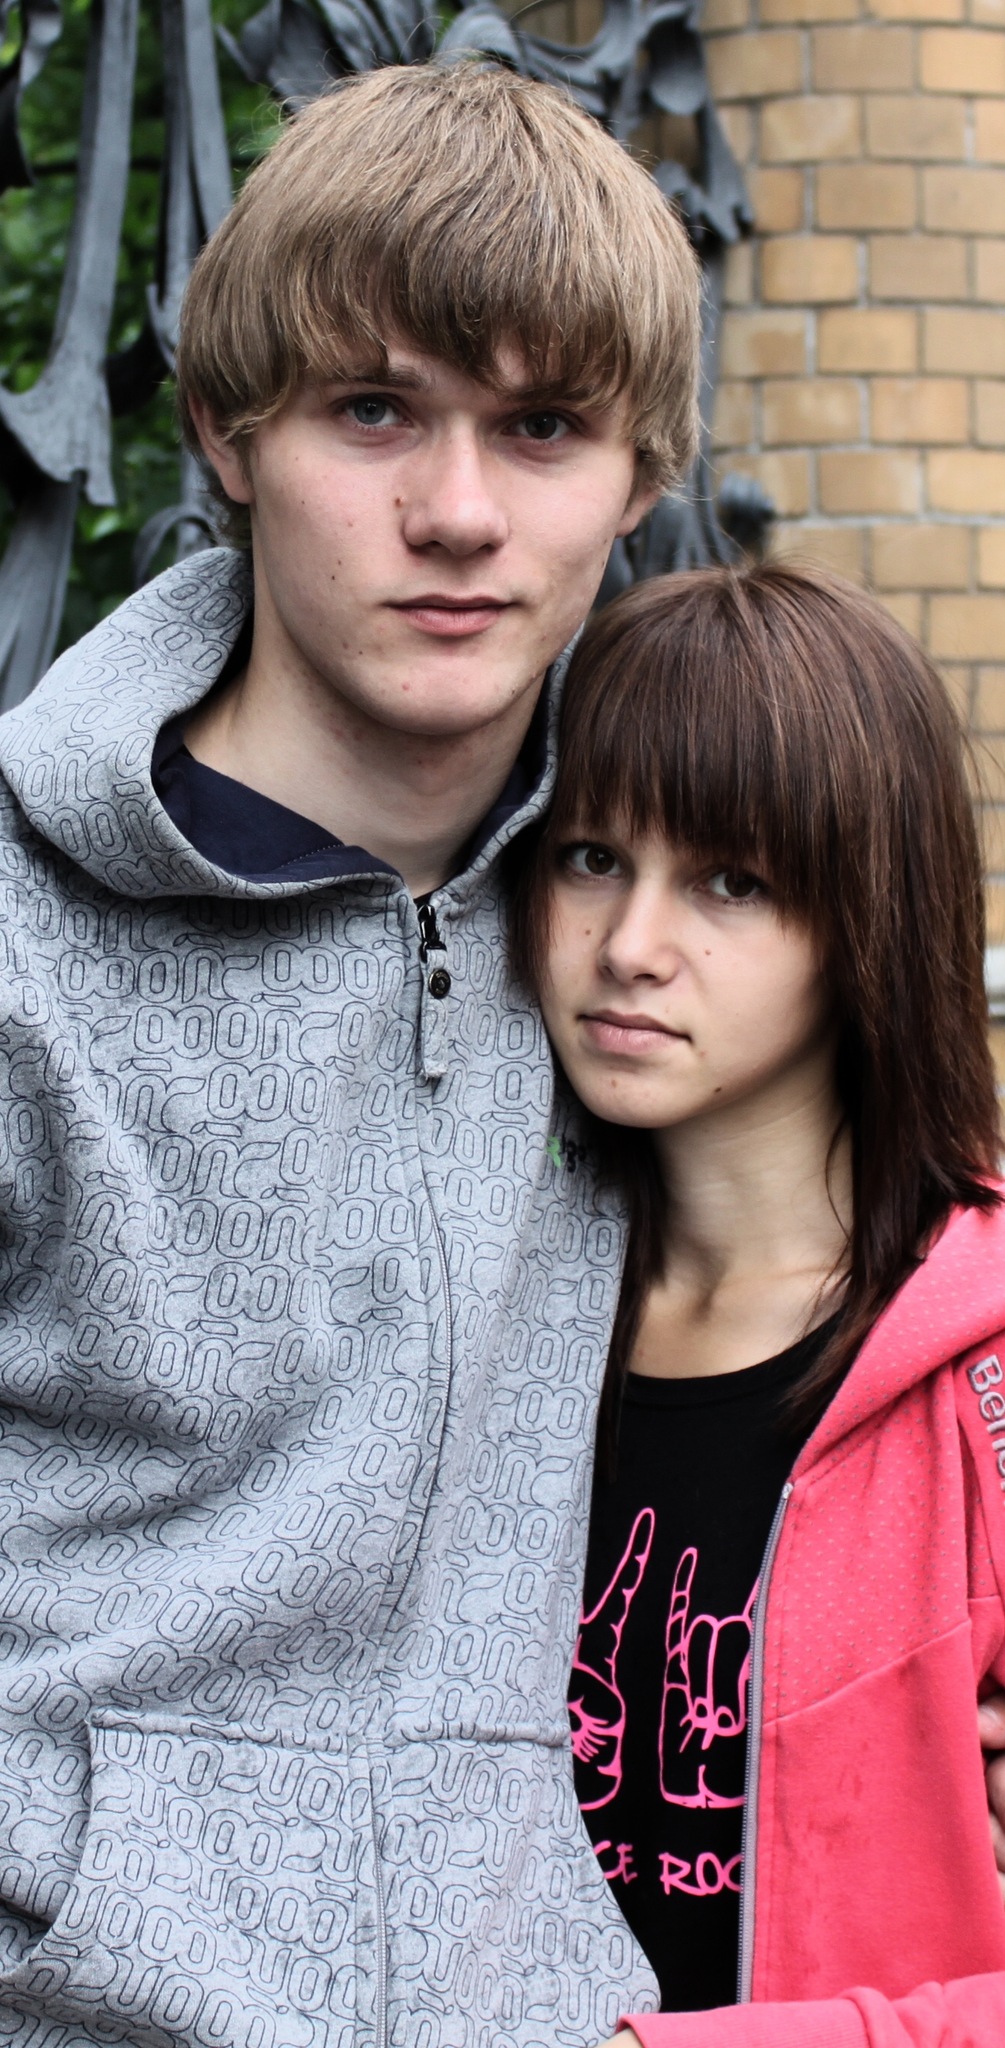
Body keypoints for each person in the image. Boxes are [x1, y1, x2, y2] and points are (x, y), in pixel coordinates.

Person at [0, 64, 699, 2048]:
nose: (457, 513)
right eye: (373, 410)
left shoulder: (660, 932)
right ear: (230, 434)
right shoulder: (21, 936)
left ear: (638, 472)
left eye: (541, 428)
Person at [510, 560, 1005, 2048]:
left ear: (866, 912)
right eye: (591, 857)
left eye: (730, 881)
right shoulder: (488, 1315)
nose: (629, 946)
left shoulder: (981, 1367)